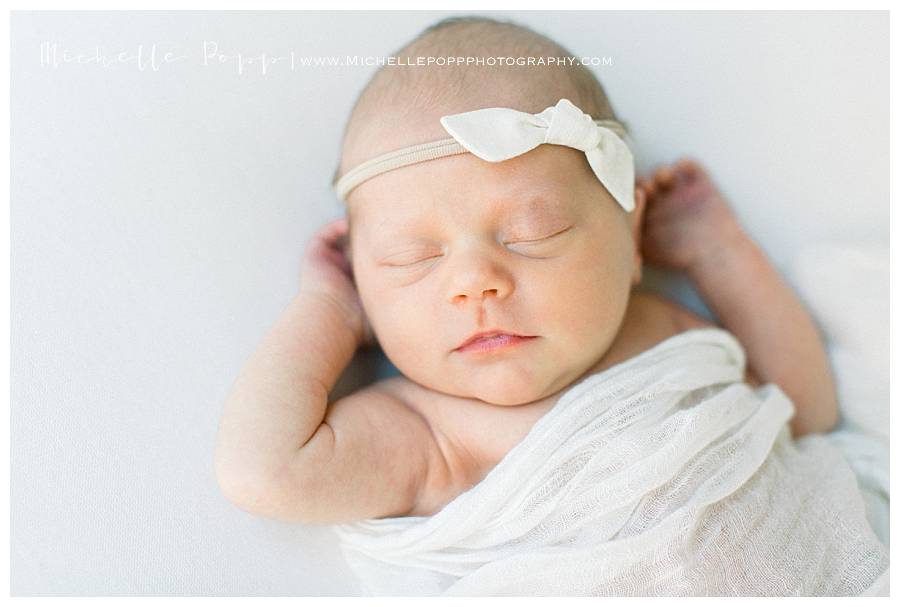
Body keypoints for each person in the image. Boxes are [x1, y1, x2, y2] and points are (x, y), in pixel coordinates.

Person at [213, 16, 888, 596]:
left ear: (629, 235)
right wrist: (328, 310)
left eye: (533, 232)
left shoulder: (666, 331)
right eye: (411, 257)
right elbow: (263, 469)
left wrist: (720, 254)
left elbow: (807, 407)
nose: (475, 282)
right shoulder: (428, 433)